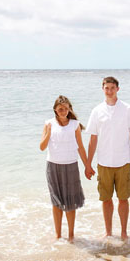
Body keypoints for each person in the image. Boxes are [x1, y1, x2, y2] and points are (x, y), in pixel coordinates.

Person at [85, 76, 130, 239]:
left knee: (123, 198)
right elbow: (93, 139)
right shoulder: (97, 111)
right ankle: (108, 232)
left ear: (118, 89)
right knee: (106, 199)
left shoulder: (128, 109)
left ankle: (124, 232)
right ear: (102, 89)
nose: (109, 91)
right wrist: (88, 164)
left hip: (123, 160)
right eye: (106, 88)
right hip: (103, 162)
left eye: (112, 88)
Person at [39, 95, 92, 241]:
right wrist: (48, 133)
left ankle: (71, 235)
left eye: (66, 109)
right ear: (55, 110)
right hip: (53, 166)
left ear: (69, 109)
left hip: (71, 166)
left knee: (70, 202)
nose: (63, 111)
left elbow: (80, 147)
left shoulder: (75, 124)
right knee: (56, 202)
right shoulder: (48, 124)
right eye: (60, 109)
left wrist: (87, 165)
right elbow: (42, 147)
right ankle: (57, 235)